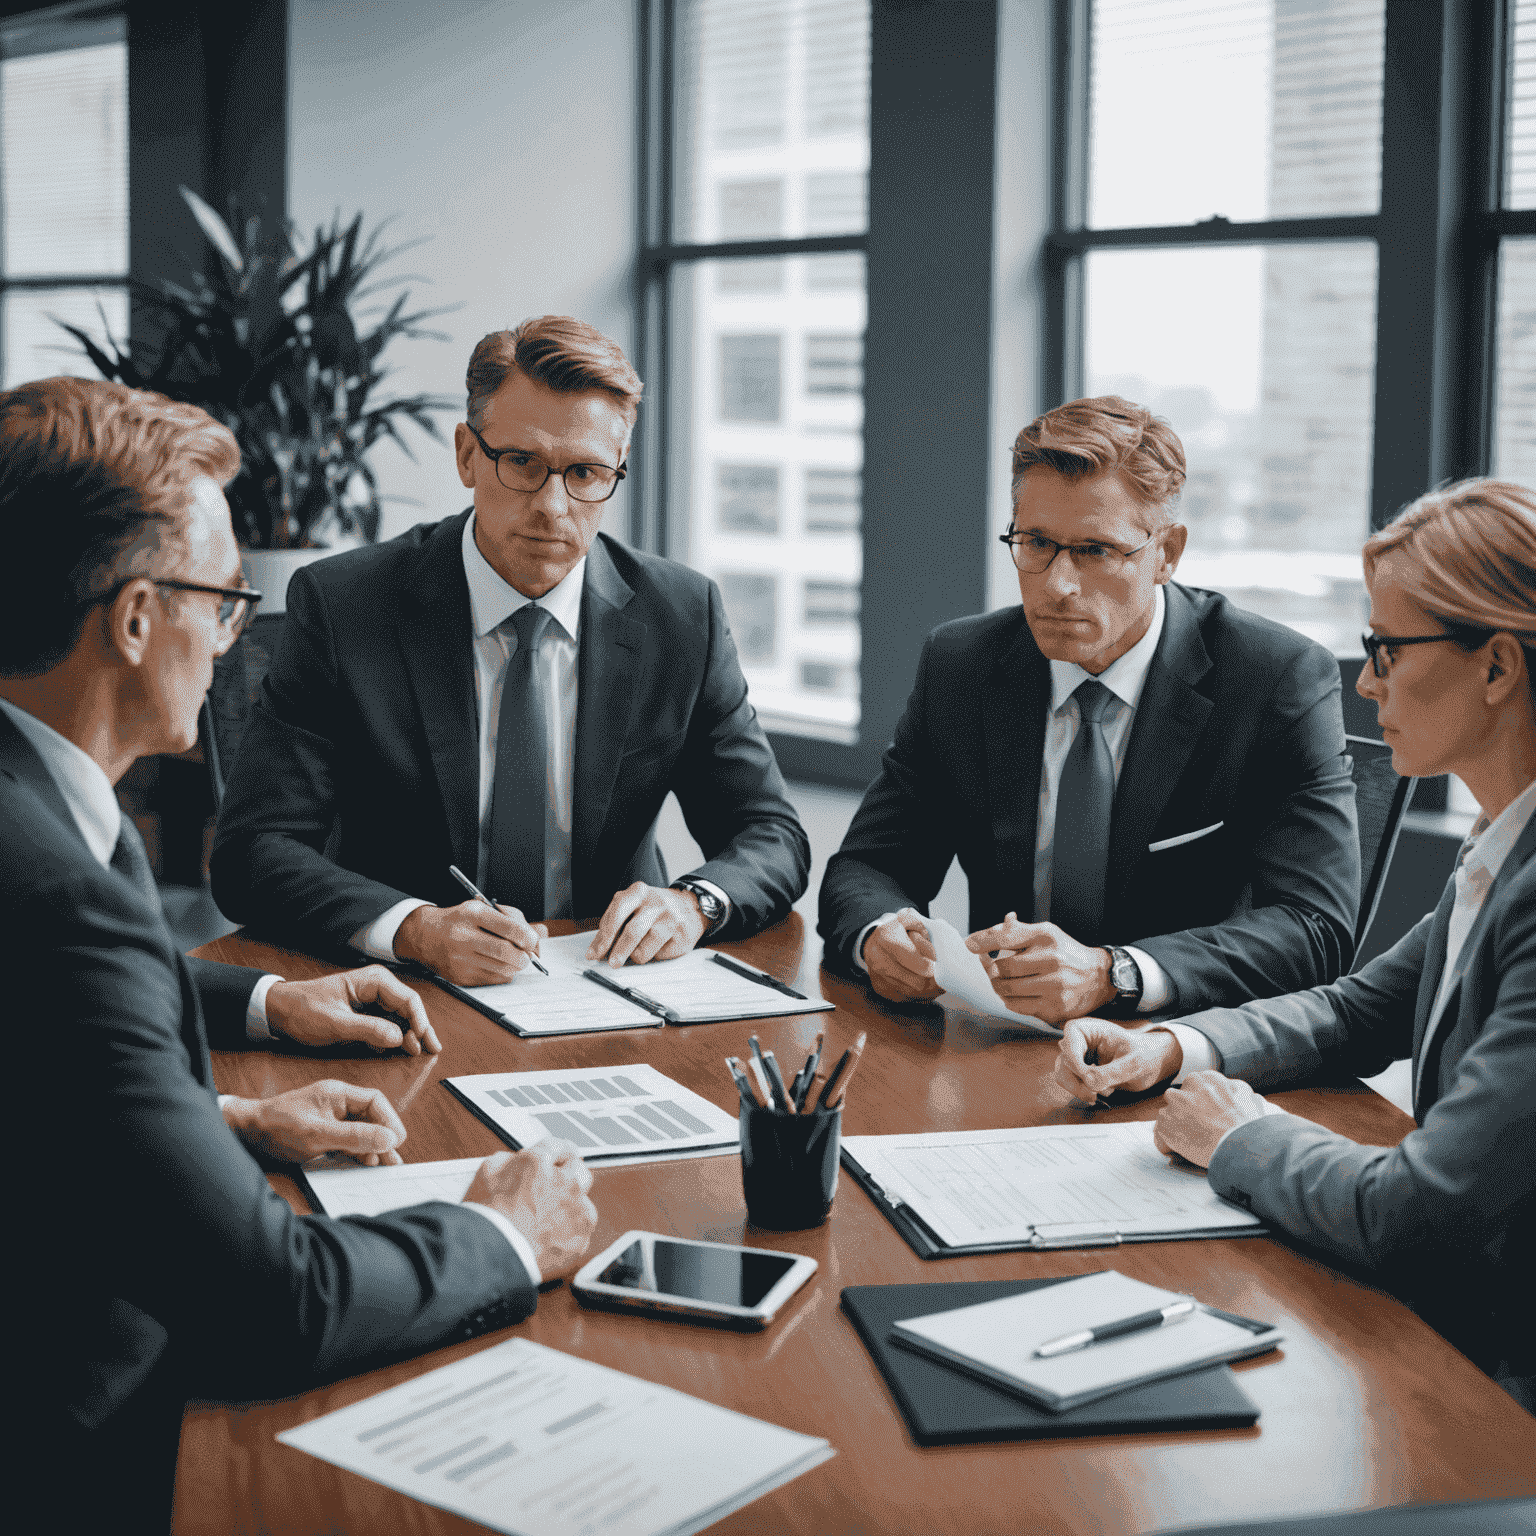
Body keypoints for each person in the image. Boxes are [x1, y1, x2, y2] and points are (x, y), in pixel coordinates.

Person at [2, 378, 599, 1530]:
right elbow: (273, 1304)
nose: (232, 640)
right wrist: (504, 1232)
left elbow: (39, 1058)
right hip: (69, 1447)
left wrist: (249, 1059)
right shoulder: (57, 893)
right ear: (134, 620)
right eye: (224, 602)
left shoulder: (41, 811)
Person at [1053, 478, 1536, 1410]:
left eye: (1388, 650)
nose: (1366, 682)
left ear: (1497, 666)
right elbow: (1359, 1008)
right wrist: (1175, 1045)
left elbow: (1419, 1212)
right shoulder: (1501, 842)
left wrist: (1248, 1138)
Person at [210, 314, 808, 986]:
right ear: (468, 454)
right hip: (408, 988)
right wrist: (415, 928)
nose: (553, 505)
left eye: (585, 472)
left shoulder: (681, 616)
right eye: (522, 462)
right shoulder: (345, 607)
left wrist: (692, 905)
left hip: (614, 989)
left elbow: (769, 832)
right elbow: (253, 851)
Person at [819, 395, 1359, 1024]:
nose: (1056, 585)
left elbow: (1314, 928)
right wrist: (880, 933)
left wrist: (1115, 974)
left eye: (1097, 551)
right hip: (1006, 1044)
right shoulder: (964, 663)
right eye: (1036, 543)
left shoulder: (1274, 678)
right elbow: (868, 865)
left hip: (1186, 1050)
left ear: (1168, 552)